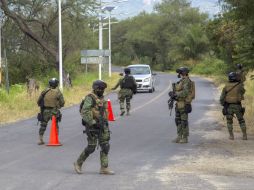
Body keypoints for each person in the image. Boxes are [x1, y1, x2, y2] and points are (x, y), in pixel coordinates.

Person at [74, 80, 114, 175]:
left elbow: (105, 112)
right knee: (91, 147)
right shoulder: (90, 98)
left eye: (103, 89)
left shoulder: (101, 98)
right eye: (100, 89)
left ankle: (104, 168)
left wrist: (104, 122)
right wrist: (92, 122)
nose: (102, 90)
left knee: (105, 146)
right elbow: (85, 111)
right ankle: (78, 163)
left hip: (102, 125)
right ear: (96, 89)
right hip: (92, 126)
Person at [37, 78, 65, 145]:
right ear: (56, 84)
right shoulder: (58, 92)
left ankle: (41, 139)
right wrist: (59, 106)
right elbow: (62, 102)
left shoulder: (45, 91)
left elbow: (38, 101)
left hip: (45, 111)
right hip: (54, 111)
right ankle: (55, 139)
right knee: (55, 125)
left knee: (43, 125)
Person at [169, 67, 193, 144]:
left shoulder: (187, 81)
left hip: (184, 104)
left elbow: (185, 92)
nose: (178, 74)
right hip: (178, 103)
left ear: (183, 73)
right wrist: (173, 94)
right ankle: (179, 136)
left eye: (179, 73)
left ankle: (185, 138)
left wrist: (175, 94)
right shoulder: (181, 81)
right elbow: (178, 91)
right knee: (178, 120)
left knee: (184, 121)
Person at [220, 72, 247, 140]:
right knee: (241, 121)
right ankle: (244, 136)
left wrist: (223, 105)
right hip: (237, 105)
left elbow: (222, 98)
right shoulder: (239, 85)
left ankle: (231, 136)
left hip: (228, 106)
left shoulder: (226, 86)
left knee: (229, 121)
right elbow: (243, 91)